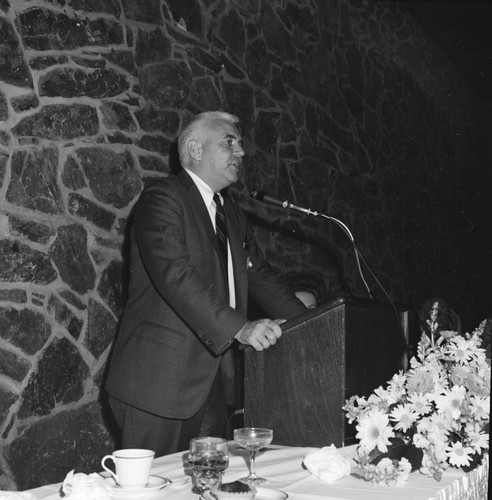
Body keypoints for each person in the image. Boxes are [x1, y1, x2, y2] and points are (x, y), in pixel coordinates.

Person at [104, 111, 308, 456]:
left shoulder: (233, 215)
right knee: (152, 490)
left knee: (206, 487)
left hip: (214, 385)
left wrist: (310, 324)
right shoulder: (162, 197)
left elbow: (262, 277)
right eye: (229, 141)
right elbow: (175, 276)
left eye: (241, 144)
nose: (240, 152)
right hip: (158, 383)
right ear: (196, 149)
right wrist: (241, 328)